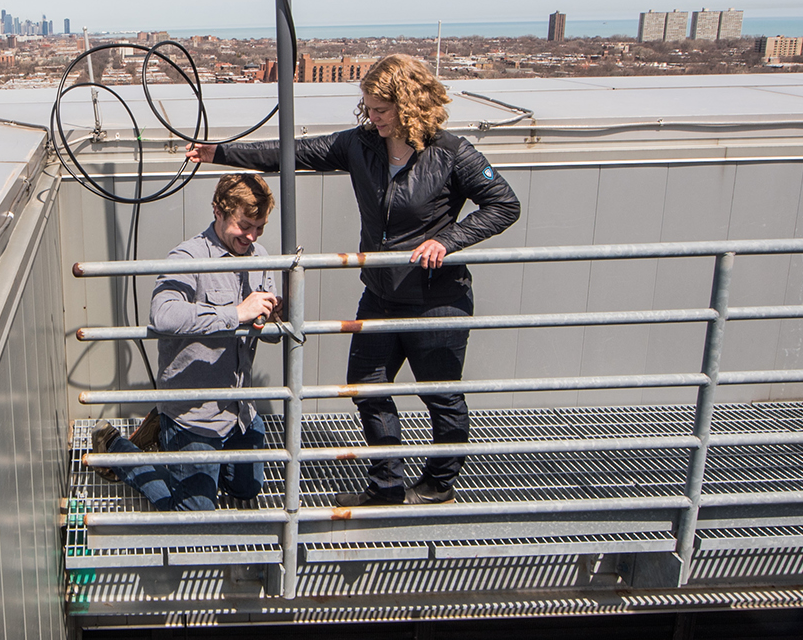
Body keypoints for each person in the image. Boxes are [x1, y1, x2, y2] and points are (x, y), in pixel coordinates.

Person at [185, 54, 520, 506]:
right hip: (381, 293)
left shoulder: (453, 152)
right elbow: (293, 153)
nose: (373, 118)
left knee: (440, 394)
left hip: (436, 298)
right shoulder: (361, 145)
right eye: (369, 109)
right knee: (366, 388)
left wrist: (448, 240)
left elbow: (504, 205)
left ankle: (439, 482)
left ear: (409, 105)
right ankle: (387, 486)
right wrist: (219, 153)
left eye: (381, 109)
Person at [91, 174, 281, 511]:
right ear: (218, 211)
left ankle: (179, 450)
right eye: (245, 225)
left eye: (260, 228)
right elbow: (162, 316)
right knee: (195, 515)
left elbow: (264, 322)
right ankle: (121, 450)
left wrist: (273, 314)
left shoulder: (260, 255)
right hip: (196, 415)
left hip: (240, 411)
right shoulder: (187, 257)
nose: (252, 237)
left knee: (247, 489)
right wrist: (236, 313)